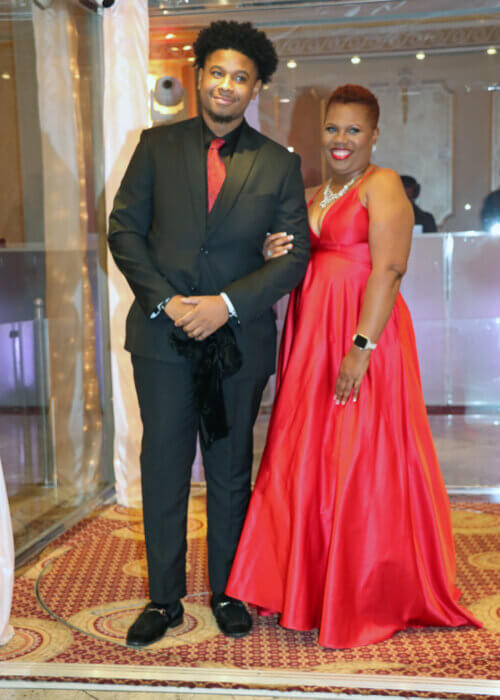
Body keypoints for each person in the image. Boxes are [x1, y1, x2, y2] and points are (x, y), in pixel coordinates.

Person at [226, 84, 481, 648]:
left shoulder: (382, 184)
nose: (341, 140)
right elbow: (300, 256)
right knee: (307, 455)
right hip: (312, 337)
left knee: (359, 456)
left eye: (354, 130)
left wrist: (361, 347)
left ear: (374, 134)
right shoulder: (314, 190)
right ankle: (309, 586)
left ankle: (363, 589)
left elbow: (389, 269)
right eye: (333, 128)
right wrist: (276, 250)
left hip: (362, 335)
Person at [108, 20, 310, 648]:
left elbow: (294, 254)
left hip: (236, 342)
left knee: (228, 469)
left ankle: (227, 590)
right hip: (162, 339)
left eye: (240, 77)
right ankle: (163, 599)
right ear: (199, 76)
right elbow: (124, 232)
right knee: (164, 464)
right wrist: (169, 303)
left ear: (256, 89)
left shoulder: (278, 164)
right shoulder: (154, 146)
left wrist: (226, 304)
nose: (226, 85)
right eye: (217, 72)